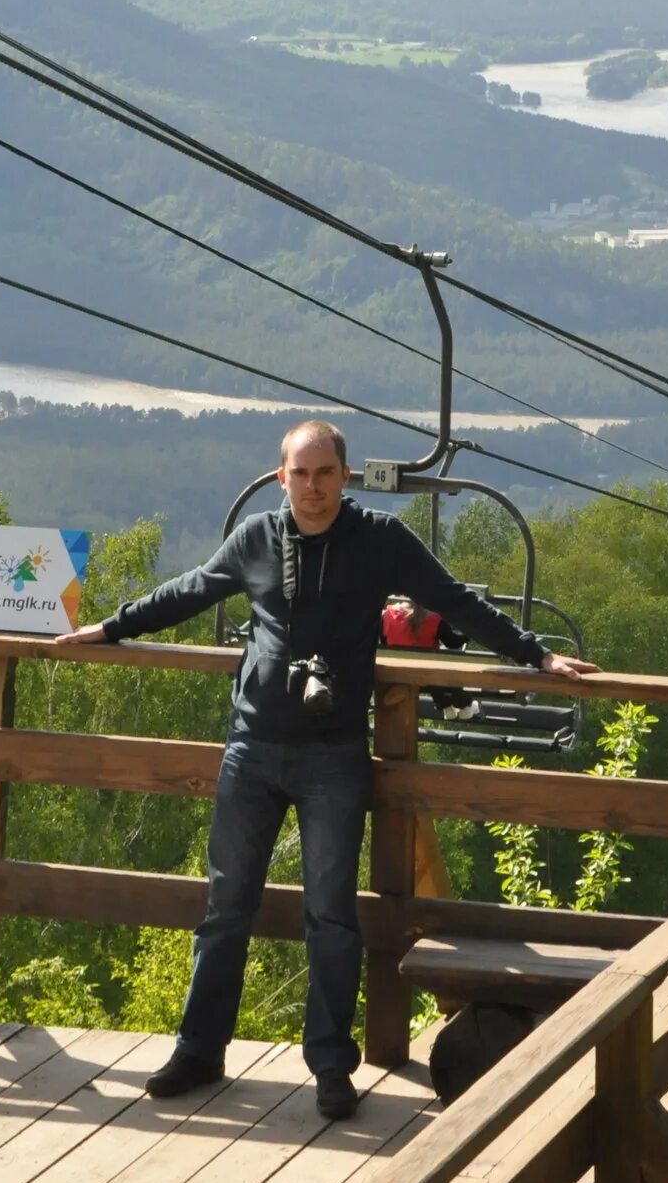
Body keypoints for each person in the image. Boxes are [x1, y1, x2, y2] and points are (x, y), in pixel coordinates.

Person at [52, 418, 598, 1120]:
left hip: (334, 756)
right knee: (225, 908)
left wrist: (537, 656)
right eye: (299, 475)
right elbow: (190, 590)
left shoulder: (378, 541)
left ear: (345, 477)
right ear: (281, 479)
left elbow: (454, 600)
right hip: (252, 748)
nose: (312, 488)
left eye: (324, 474)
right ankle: (197, 1050)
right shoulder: (257, 538)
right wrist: (113, 626)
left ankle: (332, 1067)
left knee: (332, 918)